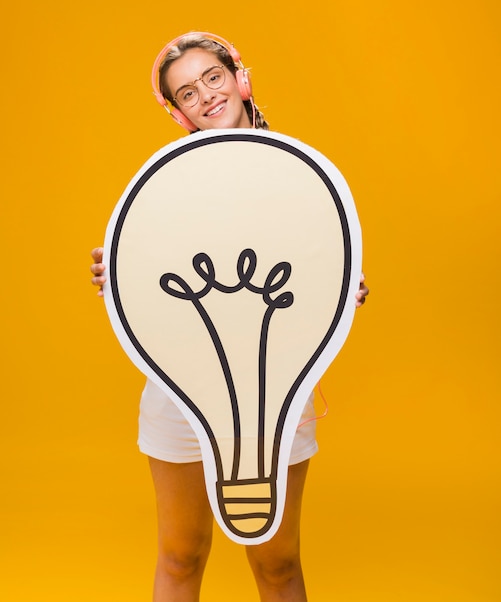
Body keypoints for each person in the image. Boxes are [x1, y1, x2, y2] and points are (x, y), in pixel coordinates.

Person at [90, 32, 369, 602]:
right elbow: (153, 272)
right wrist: (119, 269)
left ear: (240, 78)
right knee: (180, 554)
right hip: (178, 395)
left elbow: (317, 263)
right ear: (177, 113)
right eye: (187, 93)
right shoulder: (164, 189)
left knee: (277, 564)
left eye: (212, 78)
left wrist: (341, 287)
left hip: (279, 400)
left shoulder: (299, 176)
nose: (205, 96)